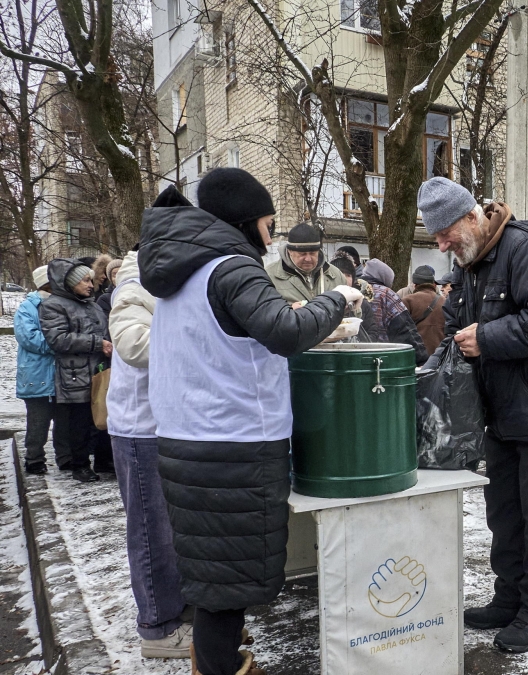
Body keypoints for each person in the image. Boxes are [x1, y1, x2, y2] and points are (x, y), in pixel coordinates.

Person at [139, 168, 361, 675]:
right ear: (244, 221)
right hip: (231, 444)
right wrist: (337, 299)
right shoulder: (229, 267)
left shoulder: (183, 270)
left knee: (214, 573)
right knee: (228, 581)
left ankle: (219, 657)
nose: (270, 234)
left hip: (187, 437)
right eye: (267, 223)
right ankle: (222, 666)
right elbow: (283, 330)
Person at [419, 176, 528, 653]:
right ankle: (509, 599)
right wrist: (428, 371)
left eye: (445, 232)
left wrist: (489, 338)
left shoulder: (524, 250)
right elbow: (456, 330)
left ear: (472, 216)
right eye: (436, 237)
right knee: (506, 517)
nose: (440, 244)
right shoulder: (470, 263)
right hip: (503, 415)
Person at [106, 193, 192, 659]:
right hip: (140, 429)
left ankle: (180, 610)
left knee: (174, 529)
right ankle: (158, 628)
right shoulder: (134, 283)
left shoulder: (167, 279)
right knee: (150, 530)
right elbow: (136, 347)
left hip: (172, 424)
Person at [39, 258, 112, 483]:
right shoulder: (53, 305)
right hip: (75, 374)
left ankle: (104, 460)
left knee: (102, 417)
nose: (91, 285)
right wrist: (97, 343)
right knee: (79, 422)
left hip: (98, 370)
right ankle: (80, 465)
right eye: (85, 281)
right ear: (70, 283)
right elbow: (58, 339)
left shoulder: (92, 304)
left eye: (90, 280)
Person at [14, 265, 66, 474]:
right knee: (38, 421)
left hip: (62, 376)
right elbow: (29, 338)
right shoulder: (27, 308)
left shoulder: (63, 304)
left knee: (64, 422)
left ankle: (66, 457)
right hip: (37, 376)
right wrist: (61, 343)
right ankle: (34, 459)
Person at [359, 258, 428, 363]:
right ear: (386, 279)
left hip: (353, 356)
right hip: (381, 359)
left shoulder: (351, 289)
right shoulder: (386, 294)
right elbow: (405, 329)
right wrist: (421, 359)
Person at [265, 222, 344, 305]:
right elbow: (261, 312)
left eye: (313, 253)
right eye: (302, 254)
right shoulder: (269, 276)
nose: (308, 259)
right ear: (290, 251)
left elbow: (352, 312)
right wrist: (289, 311)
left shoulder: (336, 276)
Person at [401, 264, 447, 356]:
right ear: (433, 284)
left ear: (415, 285)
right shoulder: (445, 302)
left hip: (416, 356)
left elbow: (402, 331)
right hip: (439, 356)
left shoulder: (407, 301)